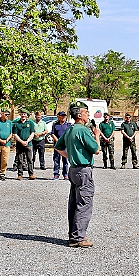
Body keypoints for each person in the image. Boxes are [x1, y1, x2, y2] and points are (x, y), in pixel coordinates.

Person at [54, 101, 101, 248]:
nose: (88, 115)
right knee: (84, 203)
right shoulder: (82, 130)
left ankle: (74, 235)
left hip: (73, 169)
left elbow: (58, 147)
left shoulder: (70, 129)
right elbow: (96, 149)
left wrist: (72, 156)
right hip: (83, 170)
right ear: (79, 115)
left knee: (74, 204)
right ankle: (79, 238)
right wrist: (97, 135)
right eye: (86, 112)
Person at [13, 110, 35, 179]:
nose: (23, 115)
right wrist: (21, 141)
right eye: (22, 114)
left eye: (24, 114)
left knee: (30, 160)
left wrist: (27, 141)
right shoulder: (17, 123)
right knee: (20, 160)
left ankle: (31, 174)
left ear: (27, 115)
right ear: (20, 115)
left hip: (29, 144)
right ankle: (20, 174)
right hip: (20, 144)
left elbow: (32, 133)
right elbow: (15, 134)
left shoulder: (30, 123)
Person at [51, 111, 71, 180]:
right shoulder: (55, 125)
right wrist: (58, 141)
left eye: (64, 116)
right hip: (57, 146)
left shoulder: (68, 125)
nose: (63, 117)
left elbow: (70, 134)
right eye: (62, 116)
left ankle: (65, 174)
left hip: (65, 145)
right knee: (56, 159)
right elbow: (53, 134)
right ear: (58, 116)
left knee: (65, 160)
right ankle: (56, 174)